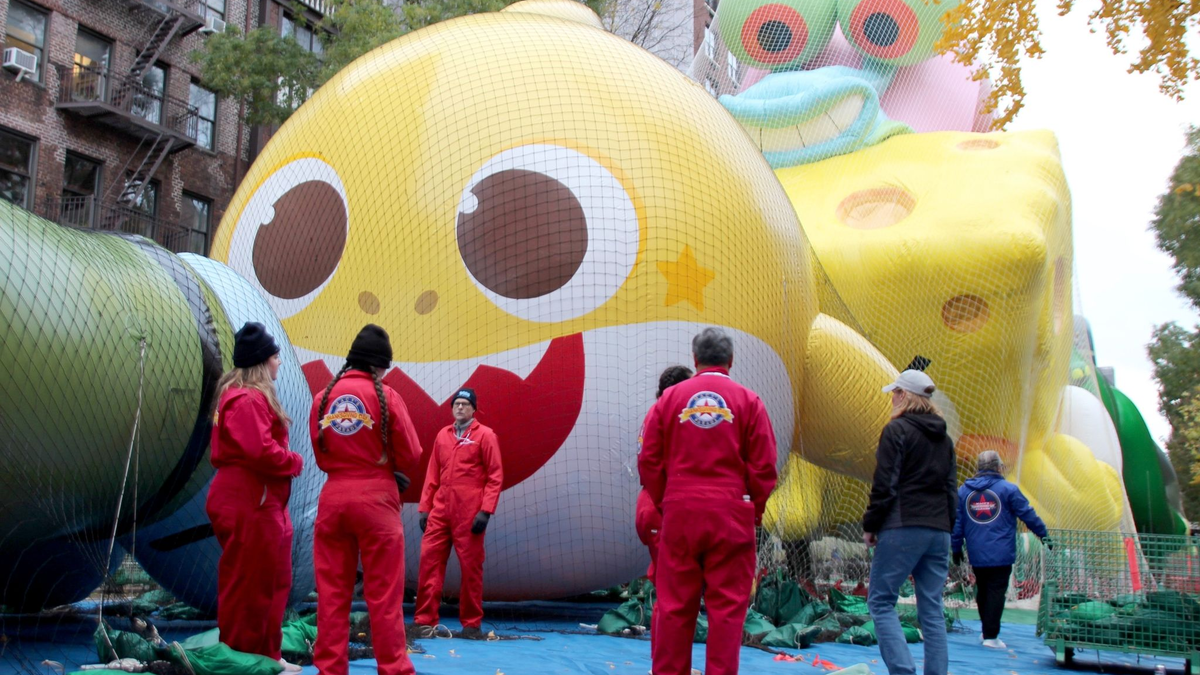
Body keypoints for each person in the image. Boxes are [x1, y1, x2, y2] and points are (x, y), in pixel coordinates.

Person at [639, 328, 778, 675]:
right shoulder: (749, 401)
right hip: (731, 514)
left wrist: (666, 501)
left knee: (674, 608)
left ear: (695, 358)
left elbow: (649, 460)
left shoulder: (668, 400)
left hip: (680, 512)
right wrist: (752, 509)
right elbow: (764, 467)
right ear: (730, 360)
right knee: (727, 612)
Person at [309, 325, 423, 675]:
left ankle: (330, 668)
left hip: (334, 500)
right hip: (376, 501)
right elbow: (412, 454)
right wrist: (387, 468)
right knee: (384, 595)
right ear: (380, 365)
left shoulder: (323, 397)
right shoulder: (387, 395)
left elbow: (321, 454)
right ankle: (394, 668)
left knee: (331, 595)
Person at [206, 322, 304, 673]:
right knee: (248, 584)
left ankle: (266, 655)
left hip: (262, 501)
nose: (279, 362)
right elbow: (259, 450)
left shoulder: (244, 397)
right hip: (250, 500)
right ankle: (241, 658)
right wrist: (293, 461)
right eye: (275, 356)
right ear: (262, 361)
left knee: (272, 580)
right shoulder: (247, 399)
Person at [863, 369, 958, 675]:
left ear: (904, 395)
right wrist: (947, 526)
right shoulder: (945, 439)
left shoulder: (897, 430)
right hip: (939, 531)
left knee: (881, 601)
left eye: (895, 393)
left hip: (903, 526)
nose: (892, 398)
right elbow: (951, 490)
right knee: (932, 609)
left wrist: (871, 524)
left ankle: (903, 670)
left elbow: (885, 484)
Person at [413, 387, 504, 639]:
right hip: (441, 509)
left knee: (471, 568)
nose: (460, 407)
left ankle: (471, 624)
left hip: (469, 511)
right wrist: (425, 508)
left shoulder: (485, 435)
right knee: (429, 562)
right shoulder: (443, 435)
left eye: (465, 404)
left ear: (474, 409)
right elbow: (432, 473)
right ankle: (424, 621)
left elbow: (495, 475)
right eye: (457, 404)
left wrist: (485, 511)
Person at [951, 450, 1048, 649]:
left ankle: (986, 630)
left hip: (976, 551)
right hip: (1001, 552)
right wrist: (1043, 533)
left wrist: (956, 547)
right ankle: (991, 636)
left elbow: (957, 522)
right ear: (998, 467)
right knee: (996, 591)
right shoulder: (1008, 490)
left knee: (983, 588)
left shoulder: (964, 492)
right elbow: (1027, 514)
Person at [636, 365, 693, 669]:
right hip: (660, 507)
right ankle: (664, 666)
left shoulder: (658, 412)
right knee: (672, 595)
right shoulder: (667, 415)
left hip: (653, 505)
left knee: (669, 590)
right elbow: (651, 464)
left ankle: (665, 664)